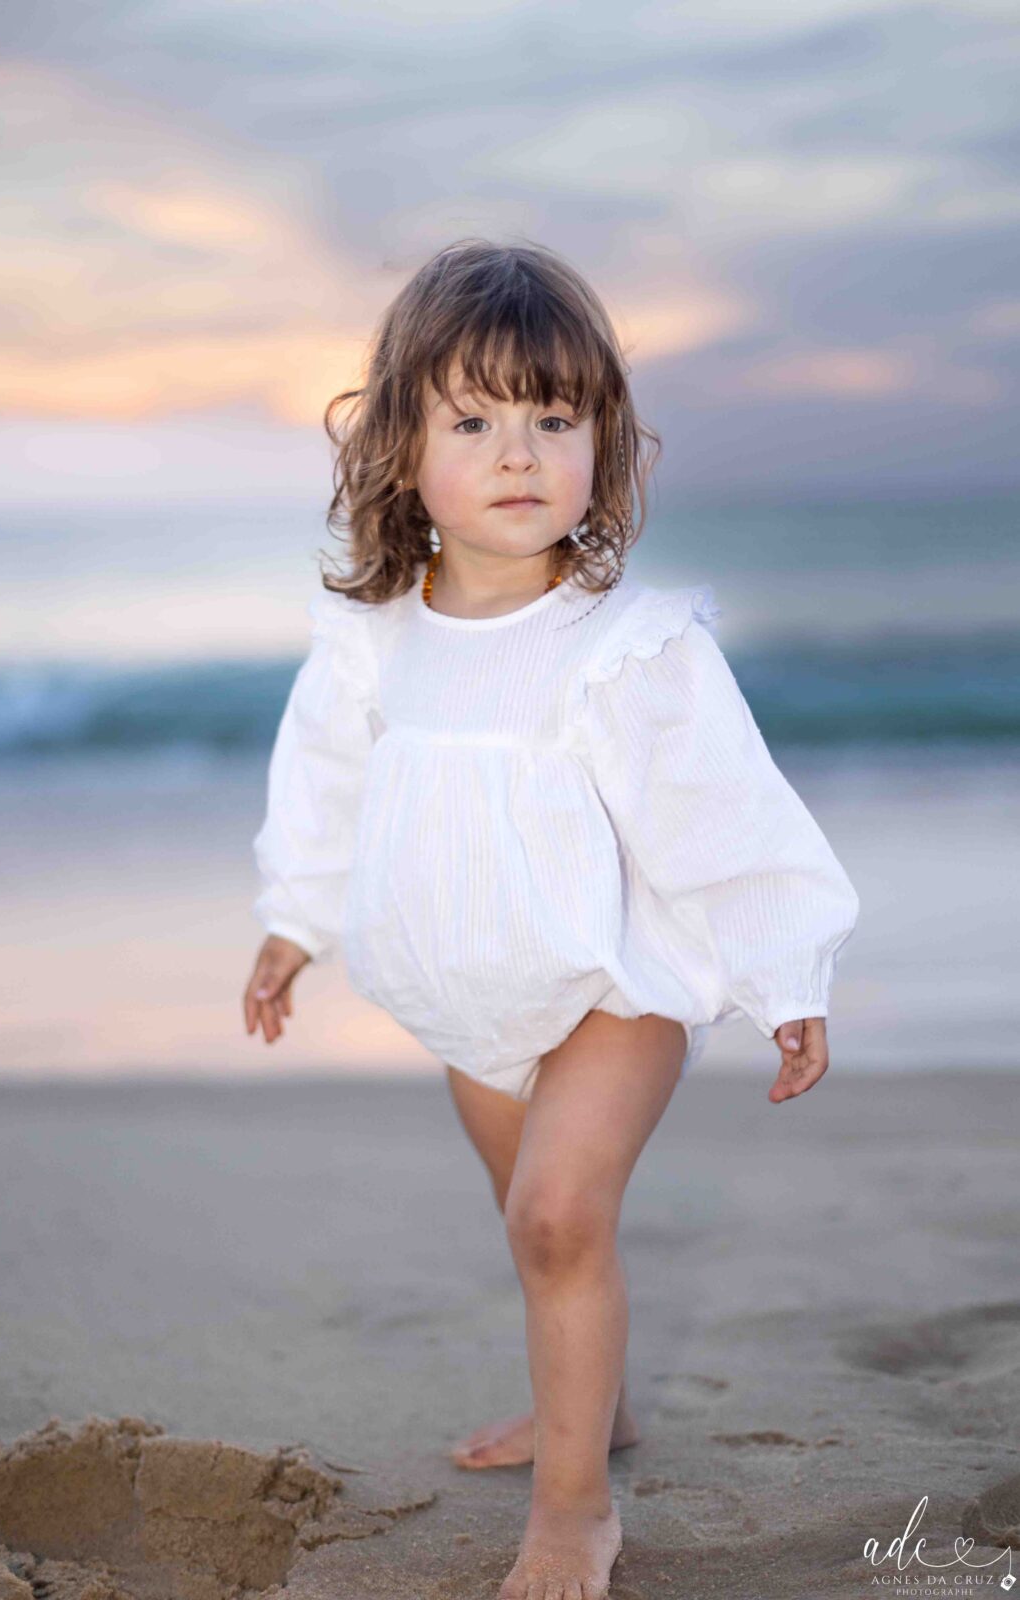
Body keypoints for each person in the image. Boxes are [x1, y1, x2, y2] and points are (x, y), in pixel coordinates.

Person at [243, 238, 860, 1600]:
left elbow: (721, 814)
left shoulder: (627, 646)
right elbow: (326, 782)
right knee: (529, 1226)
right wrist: (292, 921)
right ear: (404, 449)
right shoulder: (375, 637)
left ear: (605, 446)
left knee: (556, 1220)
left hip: (613, 982)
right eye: (475, 420)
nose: (517, 453)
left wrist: (782, 970)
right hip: (469, 987)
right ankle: (599, 1405)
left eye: (553, 419)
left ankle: (574, 1508)